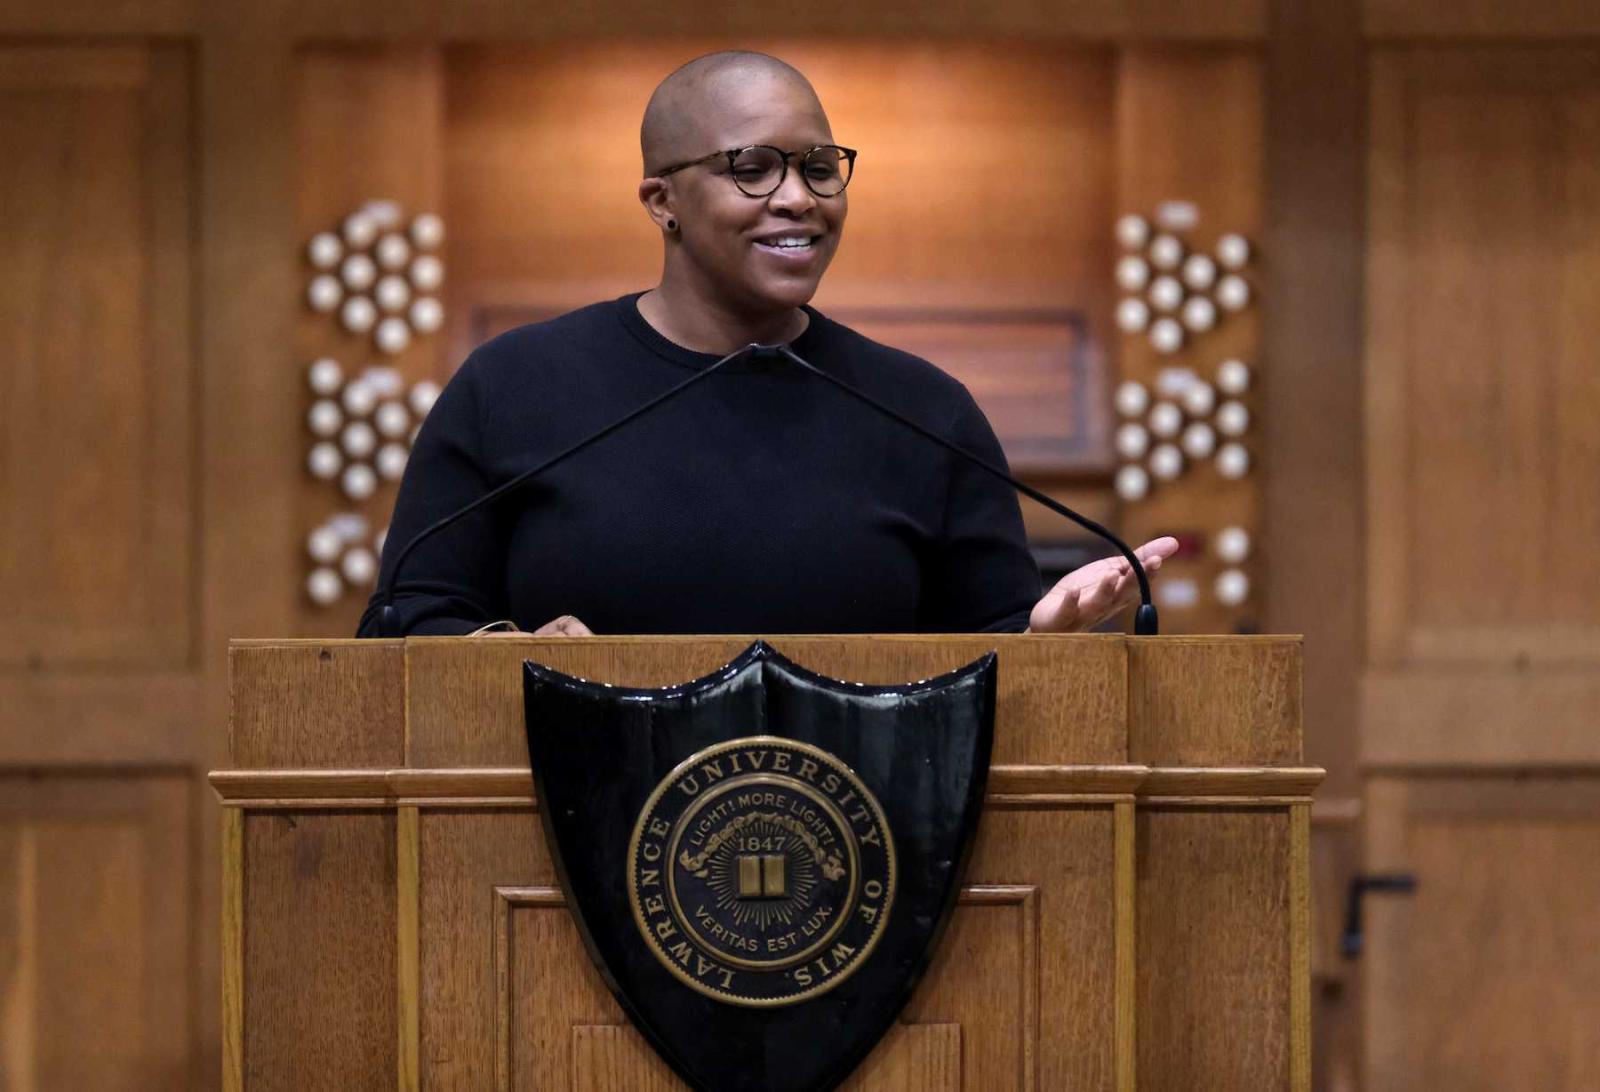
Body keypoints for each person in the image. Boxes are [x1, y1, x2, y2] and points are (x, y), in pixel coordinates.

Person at [357, 51, 1175, 640]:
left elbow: (990, 645)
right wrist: (504, 660)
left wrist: (1041, 645)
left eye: (821, 167)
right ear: (661, 200)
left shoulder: (926, 410)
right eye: (752, 167)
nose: (797, 198)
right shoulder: (513, 386)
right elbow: (403, 622)